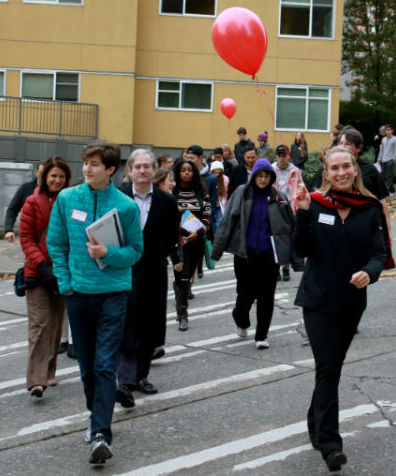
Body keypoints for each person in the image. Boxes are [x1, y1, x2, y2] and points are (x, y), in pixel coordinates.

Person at [47, 142, 143, 465]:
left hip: (114, 293)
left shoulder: (126, 206)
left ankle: (101, 432)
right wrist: (65, 283)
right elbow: (56, 243)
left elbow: (135, 251)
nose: (87, 169)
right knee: (87, 365)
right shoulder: (67, 199)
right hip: (78, 294)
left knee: (105, 364)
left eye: (95, 164)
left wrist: (108, 255)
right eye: (86, 163)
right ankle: (96, 412)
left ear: (111, 170)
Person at [294, 146, 386, 472]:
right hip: (318, 302)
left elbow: (379, 253)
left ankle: (314, 422)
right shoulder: (317, 204)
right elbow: (300, 250)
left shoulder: (370, 209)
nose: (342, 172)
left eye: (347, 166)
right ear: (327, 173)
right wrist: (303, 213)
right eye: (335, 168)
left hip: (351, 303)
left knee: (330, 369)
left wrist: (369, 272)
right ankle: (331, 444)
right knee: (328, 368)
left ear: (355, 170)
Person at [211, 159, 295, 349]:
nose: (263, 180)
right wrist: (216, 251)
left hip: (269, 255)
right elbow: (227, 222)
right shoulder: (242, 193)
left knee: (267, 296)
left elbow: (289, 227)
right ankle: (240, 317)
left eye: (267, 176)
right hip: (245, 255)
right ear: (254, 176)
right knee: (245, 294)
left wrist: (294, 258)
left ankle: (261, 335)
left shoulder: (278, 197)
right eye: (260, 176)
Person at [117, 149, 179, 402]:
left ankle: (141, 374)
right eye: (138, 166)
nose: (143, 171)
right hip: (122, 269)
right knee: (125, 322)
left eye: (147, 166)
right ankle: (126, 379)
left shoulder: (166, 202)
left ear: (155, 171)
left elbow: (171, 236)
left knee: (149, 323)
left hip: (153, 269)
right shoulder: (117, 197)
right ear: (129, 170)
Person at [19, 157, 71, 398]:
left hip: (62, 272)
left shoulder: (71, 202)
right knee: (39, 324)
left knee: (55, 325)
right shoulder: (32, 202)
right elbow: (27, 238)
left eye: (61, 176)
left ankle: (50, 371)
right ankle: (36, 379)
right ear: (44, 177)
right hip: (37, 274)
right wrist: (42, 265)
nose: (57, 180)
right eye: (53, 176)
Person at [172, 160, 210, 330]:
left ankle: (183, 298)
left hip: (197, 241)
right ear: (177, 173)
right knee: (182, 276)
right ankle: (182, 314)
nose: (186, 173)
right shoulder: (172, 192)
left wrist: (199, 232)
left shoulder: (201, 193)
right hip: (178, 243)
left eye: (189, 170)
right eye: (183, 170)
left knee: (188, 276)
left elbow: (208, 217)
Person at [272, 144, 304, 281]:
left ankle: (286, 267)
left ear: (288, 155)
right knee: (277, 239)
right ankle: (276, 267)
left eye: (284, 155)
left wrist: (298, 201)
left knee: (288, 239)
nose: (282, 158)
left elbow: (301, 187)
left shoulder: (295, 171)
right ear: (276, 156)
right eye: (279, 155)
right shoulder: (271, 170)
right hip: (276, 209)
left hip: (291, 209)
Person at [187, 144, 217, 278]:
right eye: (187, 157)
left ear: (200, 158)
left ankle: (197, 267)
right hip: (185, 218)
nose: (189, 160)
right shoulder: (184, 175)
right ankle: (186, 287)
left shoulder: (210, 179)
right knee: (186, 254)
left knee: (197, 250)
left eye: (192, 158)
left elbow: (212, 201)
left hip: (201, 219)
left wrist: (209, 221)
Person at [4, 161, 45, 242]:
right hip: (30, 236)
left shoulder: (55, 190)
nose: (44, 176)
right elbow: (12, 209)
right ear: (36, 172)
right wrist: (9, 230)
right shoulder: (25, 188)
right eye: (42, 173)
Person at [210, 161, 229, 237]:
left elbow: (226, 194)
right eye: (215, 169)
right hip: (211, 205)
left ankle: (217, 240)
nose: (217, 171)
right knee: (211, 224)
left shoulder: (225, 179)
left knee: (219, 224)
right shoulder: (210, 178)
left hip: (220, 205)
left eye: (219, 169)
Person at [377, 124, 396, 194]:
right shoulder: (384, 139)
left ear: (392, 131)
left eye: (389, 130)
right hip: (383, 160)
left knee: (388, 176)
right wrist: (379, 159)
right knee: (385, 176)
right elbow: (381, 149)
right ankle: (393, 191)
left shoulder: (395, 139)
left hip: (391, 160)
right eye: (386, 130)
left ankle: (385, 192)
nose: (387, 131)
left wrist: (394, 159)